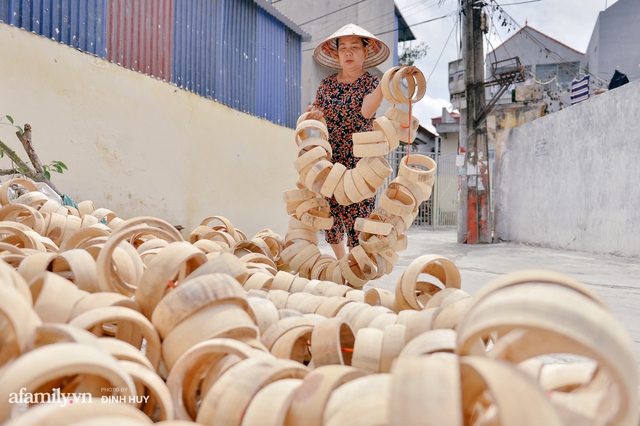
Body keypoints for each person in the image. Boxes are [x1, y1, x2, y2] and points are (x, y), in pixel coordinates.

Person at [306, 23, 416, 260]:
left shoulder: (371, 83)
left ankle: (356, 270)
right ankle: (341, 263)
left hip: (361, 163)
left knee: (358, 218)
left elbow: (366, 112)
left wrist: (392, 78)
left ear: (366, 52)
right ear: (335, 53)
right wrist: (313, 113)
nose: (348, 52)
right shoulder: (326, 85)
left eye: (354, 47)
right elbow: (315, 112)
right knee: (331, 217)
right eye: (342, 47)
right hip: (330, 161)